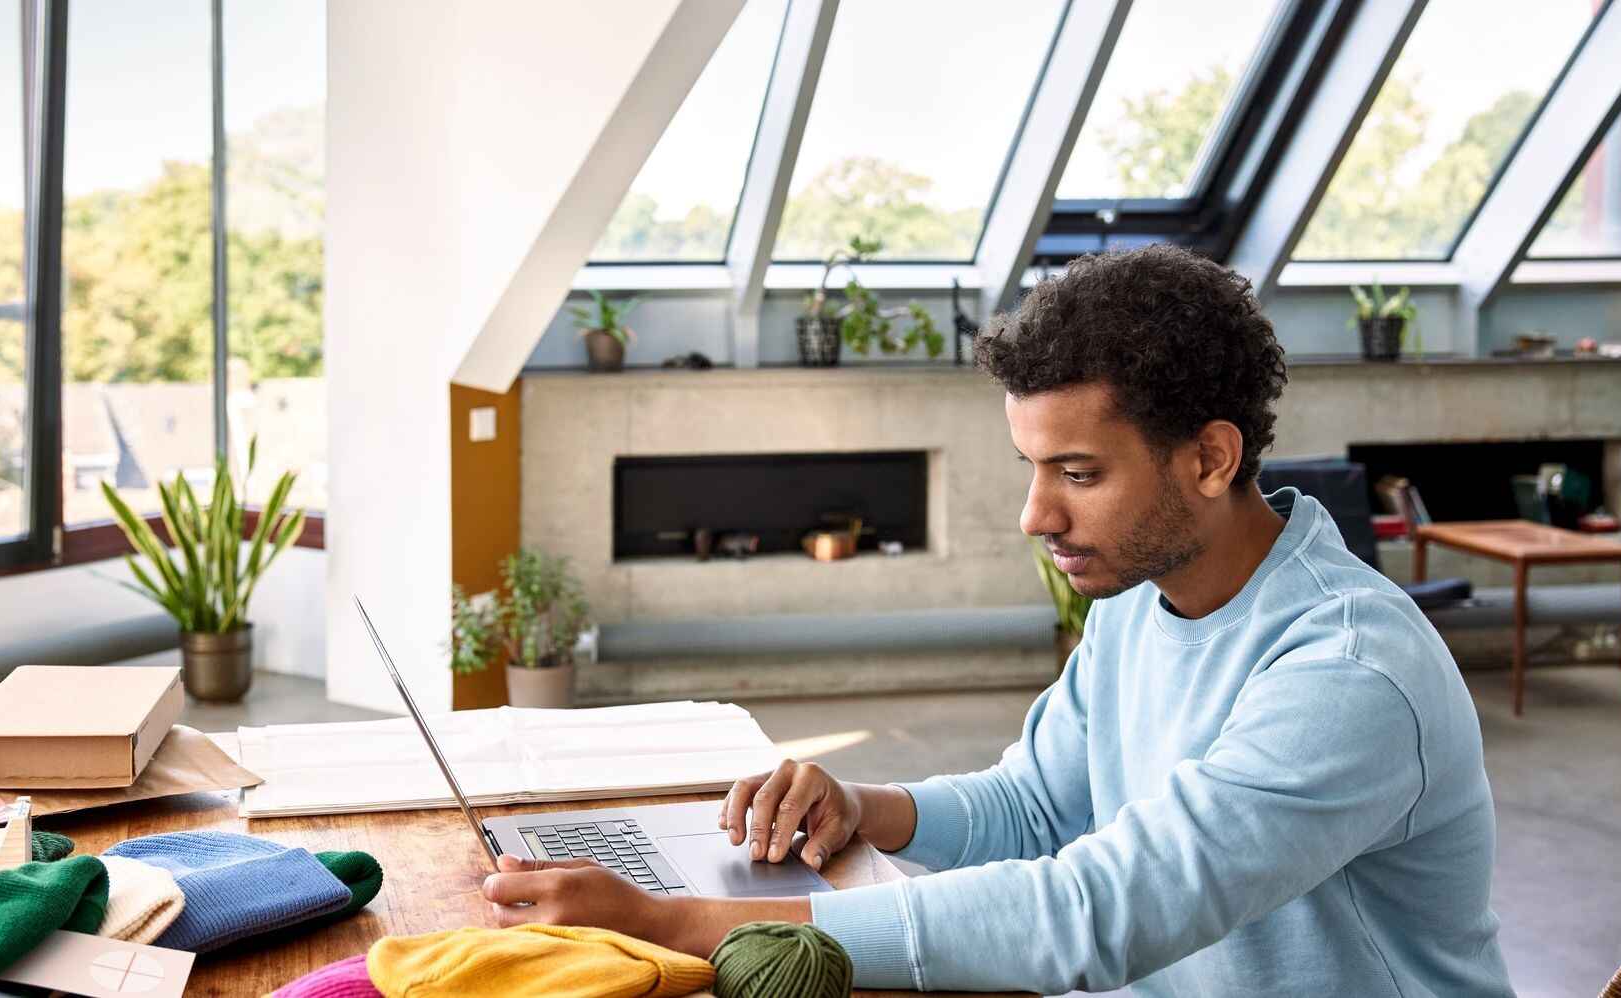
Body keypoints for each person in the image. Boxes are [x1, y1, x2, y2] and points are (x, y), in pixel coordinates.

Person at [482, 245, 1512, 996]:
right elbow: (1034, 807)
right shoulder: (1140, 601)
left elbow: (1090, 911)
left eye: (1077, 472)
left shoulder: (1346, 672)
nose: (1035, 515)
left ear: (1208, 457)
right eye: (1031, 467)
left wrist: (680, 922)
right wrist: (861, 805)